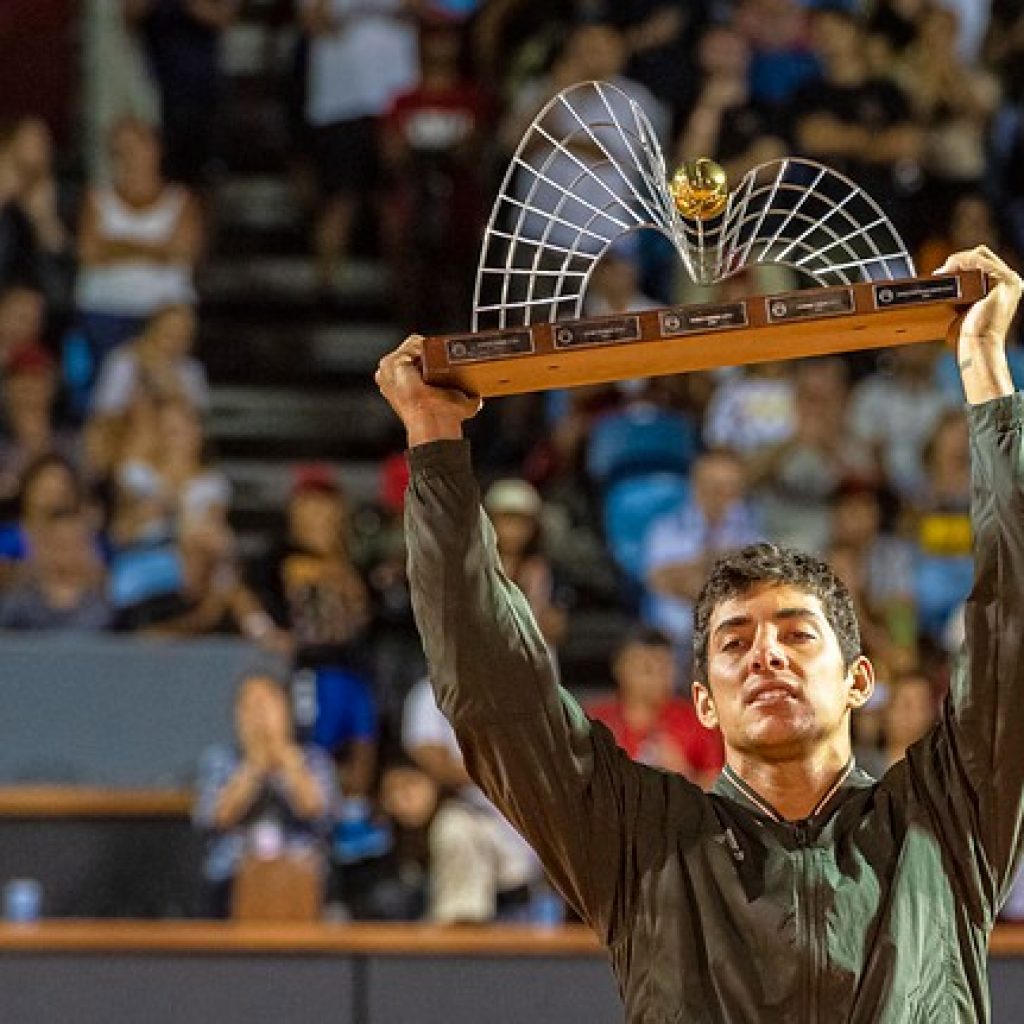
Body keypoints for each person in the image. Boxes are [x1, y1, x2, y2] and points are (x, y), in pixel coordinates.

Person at [375, 245, 1024, 1020]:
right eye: (735, 643)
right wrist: (437, 450)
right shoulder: (641, 843)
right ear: (704, 703)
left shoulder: (945, 819)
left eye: (797, 632)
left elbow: (1012, 623)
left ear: (859, 679)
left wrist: (987, 371)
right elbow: (494, 693)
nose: (766, 655)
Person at [193, 670, 338, 918]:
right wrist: (253, 768)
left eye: (267, 703)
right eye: (249, 706)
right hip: (231, 880)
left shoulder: (314, 760)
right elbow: (216, 817)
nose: (259, 715)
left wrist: (288, 763)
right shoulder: (219, 761)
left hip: (301, 879)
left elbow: (317, 810)